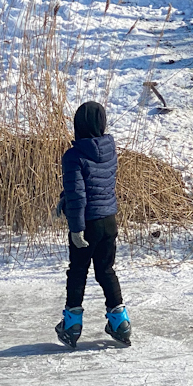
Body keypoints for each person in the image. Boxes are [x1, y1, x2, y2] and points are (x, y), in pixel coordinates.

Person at [55, 101, 132, 349]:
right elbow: (98, 186)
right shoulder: (110, 150)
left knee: (78, 272)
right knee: (106, 270)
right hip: (109, 221)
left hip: (87, 223)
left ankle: (72, 325)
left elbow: (79, 196)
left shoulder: (73, 156)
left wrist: (76, 229)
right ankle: (120, 322)